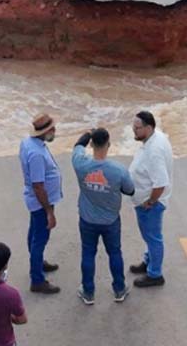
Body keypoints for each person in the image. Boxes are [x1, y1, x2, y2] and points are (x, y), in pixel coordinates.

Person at [71, 127, 134, 305]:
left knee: (88, 253)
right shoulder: (118, 170)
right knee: (114, 253)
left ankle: (88, 292)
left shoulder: (80, 164)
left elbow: (78, 145)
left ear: (92, 145)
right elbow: (130, 190)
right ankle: (119, 289)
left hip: (87, 219)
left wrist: (88, 133)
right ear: (109, 144)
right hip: (110, 220)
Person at [19, 113, 63, 293]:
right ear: (45, 132)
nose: (55, 130)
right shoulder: (37, 154)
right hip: (41, 202)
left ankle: (37, 262)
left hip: (34, 199)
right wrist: (49, 212)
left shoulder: (28, 143)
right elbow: (38, 186)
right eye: (52, 129)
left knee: (34, 233)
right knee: (40, 239)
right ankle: (37, 279)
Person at [128, 110, 172, 288]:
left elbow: (160, 183)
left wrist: (151, 202)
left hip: (150, 204)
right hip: (147, 200)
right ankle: (148, 261)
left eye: (137, 128)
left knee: (153, 238)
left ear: (149, 127)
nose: (134, 131)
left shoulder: (154, 151)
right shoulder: (156, 137)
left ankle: (155, 274)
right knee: (149, 237)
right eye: (133, 127)